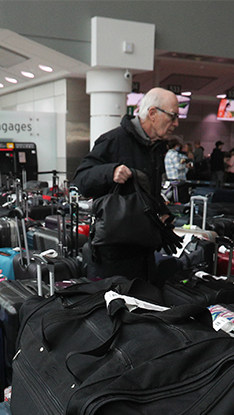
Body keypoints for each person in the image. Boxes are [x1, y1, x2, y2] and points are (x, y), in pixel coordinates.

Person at [73, 87, 180, 280]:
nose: (176, 123)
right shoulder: (114, 140)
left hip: (143, 250)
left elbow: (146, 193)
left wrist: (162, 213)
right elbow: (81, 180)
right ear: (153, 113)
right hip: (112, 255)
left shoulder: (155, 149)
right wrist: (110, 171)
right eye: (173, 116)